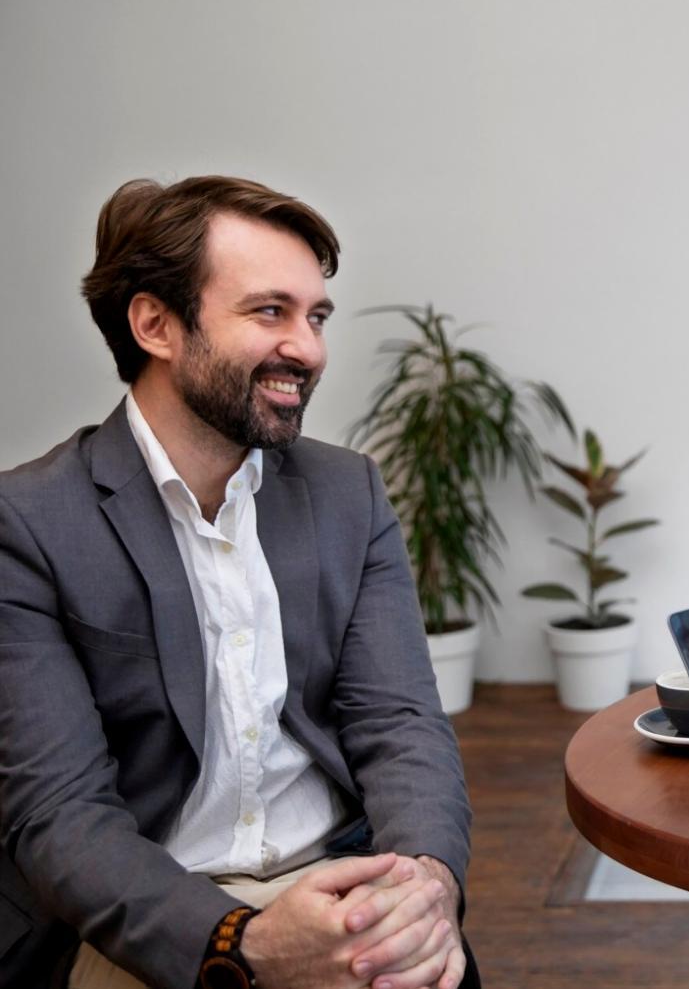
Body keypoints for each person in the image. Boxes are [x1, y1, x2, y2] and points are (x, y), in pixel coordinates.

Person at [0, 176, 477, 989]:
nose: (310, 348)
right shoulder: (30, 523)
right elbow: (62, 818)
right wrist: (239, 943)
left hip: (338, 882)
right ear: (155, 324)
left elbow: (399, 723)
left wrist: (424, 881)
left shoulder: (346, 494)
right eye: (270, 312)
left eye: (315, 316)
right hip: (152, 915)